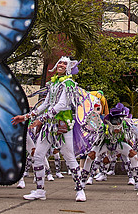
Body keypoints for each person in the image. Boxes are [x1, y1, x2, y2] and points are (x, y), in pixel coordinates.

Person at [12, 56, 86, 202]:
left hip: (63, 126)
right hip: (49, 126)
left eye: (65, 64)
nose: (62, 65)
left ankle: (80, 190)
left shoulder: (69, 83)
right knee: (38, 156)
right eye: (60, 63)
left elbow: (61, 105)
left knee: (70, 158)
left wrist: (41, 119)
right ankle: (40, 190)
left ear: (69, 68)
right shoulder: (52, 84)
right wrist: (25, 117)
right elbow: (45, 104)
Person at [78, 103, 138, 199]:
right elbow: (94, 137)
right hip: (105, 144)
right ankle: (82, 182)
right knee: (89, 157)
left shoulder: (126, 124)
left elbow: (137, 132)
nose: (117, 127)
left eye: (119, 123)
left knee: (134, 156)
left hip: (119, 144)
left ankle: (137, 182)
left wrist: (137, 144)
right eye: (115, 124)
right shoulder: (104, 127)